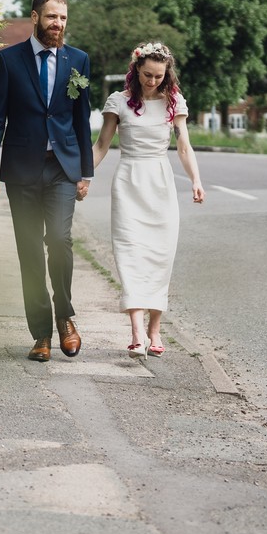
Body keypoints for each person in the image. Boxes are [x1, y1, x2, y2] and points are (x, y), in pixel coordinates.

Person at [0, 0, 94, 362]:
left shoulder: (79, 60)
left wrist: (85, 172)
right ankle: (41, 334)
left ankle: (65, 317)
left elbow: (81, 120)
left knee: (59, 240)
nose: (57, 24)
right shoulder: (9, 61)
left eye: (62, 18)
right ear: (35, 17)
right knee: (29, 250)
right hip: (23, 168)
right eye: (51, 18)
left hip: (62, 167)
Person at [91, 41, 205, 361]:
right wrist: (82, 176)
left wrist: (196, 180)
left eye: (158, 76)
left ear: (166, 75)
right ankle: (137, 332)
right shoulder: (120, 102)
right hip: (129, 181)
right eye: (147, 75)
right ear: (136, 70)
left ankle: (156, 330)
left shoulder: (174, 101)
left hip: (160, 183)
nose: (152, 81)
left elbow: (183, 146)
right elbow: (101, 144)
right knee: (130, 254)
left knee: (160, 255)